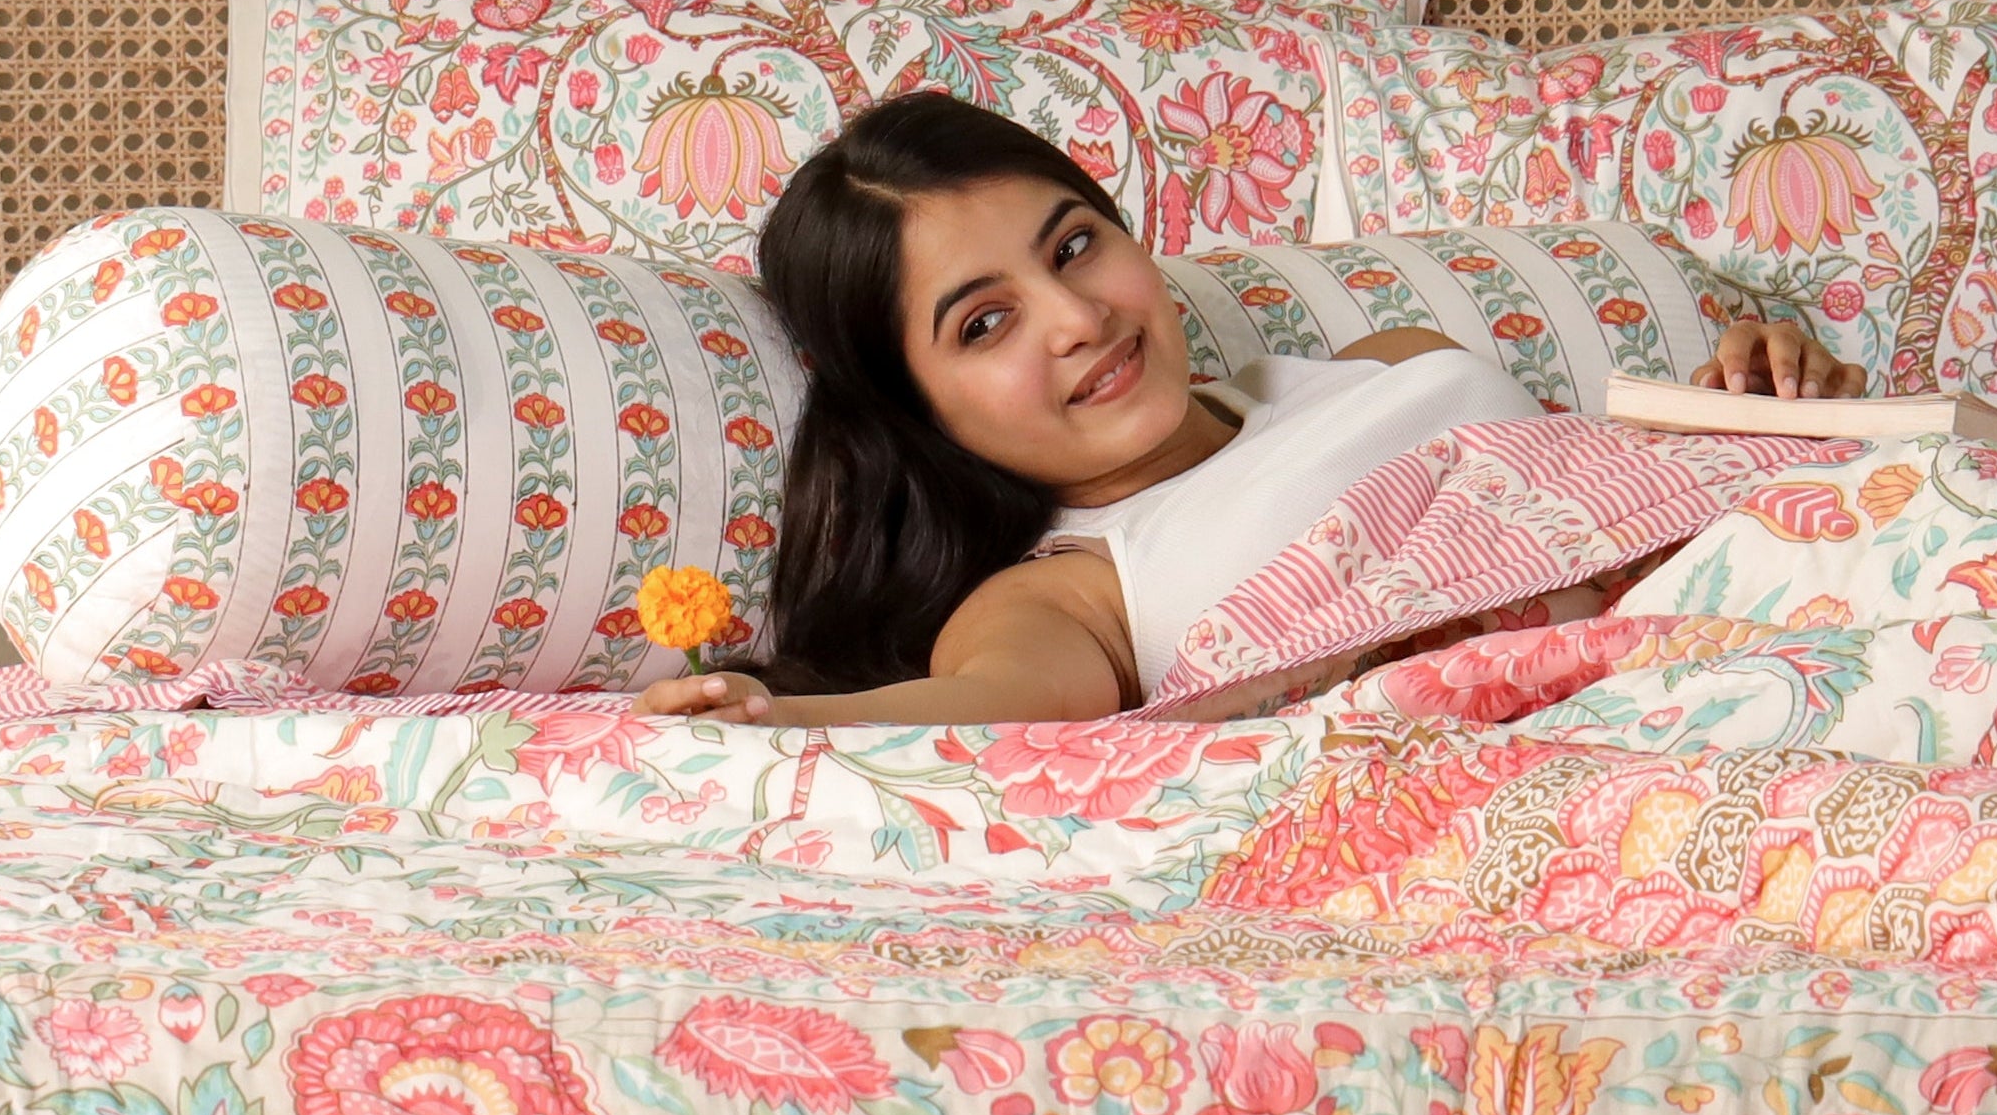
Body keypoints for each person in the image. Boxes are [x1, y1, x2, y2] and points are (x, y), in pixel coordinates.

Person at [637, 90, 1857, 724]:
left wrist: (1763, 407)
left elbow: (1592, 515)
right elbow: (976, 712)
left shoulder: (1391, 356)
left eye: (1072, 246)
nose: (1075, 318)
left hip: (1816, 592)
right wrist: (769, 721)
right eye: (985, 322)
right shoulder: (1066, 591)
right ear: (916, 408)